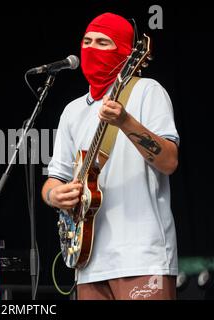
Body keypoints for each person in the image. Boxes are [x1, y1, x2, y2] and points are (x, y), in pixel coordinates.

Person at [41, 13, 179, 300]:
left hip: (142, 256)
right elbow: (54, 180)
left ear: (127, 54)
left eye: (103, 42)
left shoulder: (147, 91)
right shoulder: (72, 111)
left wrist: (126, 122)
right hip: (88, 261)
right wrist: (55, 196)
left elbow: (169, 161)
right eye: (87, 41)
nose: (91, 48)